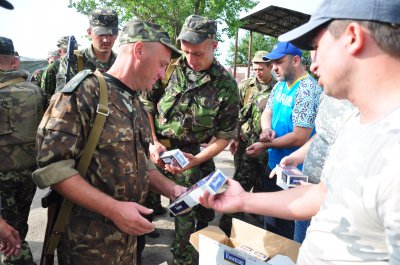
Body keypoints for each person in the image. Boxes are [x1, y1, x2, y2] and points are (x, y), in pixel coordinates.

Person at [201, 0, 400, 263]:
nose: (313, 63)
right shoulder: (356, 124)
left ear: (353, 37)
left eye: (317, 47)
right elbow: (322, 194)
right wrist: (243, 201)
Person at [32, 20, 184, 265]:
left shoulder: (134, 102)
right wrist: (114, 209)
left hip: (128, 241)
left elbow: (140, 164)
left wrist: (173, 190)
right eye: (162, 65)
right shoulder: (83, 94)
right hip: (88, 246)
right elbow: (52, 169)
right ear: (138, 50)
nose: (161, 74)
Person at [141, 14, 239, 265]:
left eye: (198, 53)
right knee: (147, 202)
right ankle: (180, 256)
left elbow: (224, 136)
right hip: (156, 147)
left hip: (192, 154)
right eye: (186, 52)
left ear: (214, 46)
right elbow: (147, 105)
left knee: (198, 207)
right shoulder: (169, 66)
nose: (191, 59)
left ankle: (190, 247)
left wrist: (195, 160)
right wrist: (152, 142)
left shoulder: (226, 85)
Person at [246, 42, 322, 239]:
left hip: (295, 174)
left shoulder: (306, 89)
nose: (274, 68)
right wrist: (266, 129)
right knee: (270, 225)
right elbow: (268, 112)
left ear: (296, 60)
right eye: (272, 63)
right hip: (275, 166)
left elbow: (300, 136)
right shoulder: (280, 85)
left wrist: (264, 145)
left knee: (287, 232)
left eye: (279, 62)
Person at [275, 92, 354, 243]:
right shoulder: (329, 93)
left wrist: (323, 194)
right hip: (305, 196)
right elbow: (322, 135)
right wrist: (296, 157)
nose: (313, 67)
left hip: (335, 213)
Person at [218, 50, 275, 236]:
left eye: (261, 69)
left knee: (263, 184)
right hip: (246, 143)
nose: (257, 72)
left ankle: (257, 215)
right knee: (241, 180)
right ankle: (229, 221)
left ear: (270, 67)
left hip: (268, 148)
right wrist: (234, 137)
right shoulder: (246, 86)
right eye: (255, 68)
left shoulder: (278, 87)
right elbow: (237, 113)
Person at [0, 36, 43, 265]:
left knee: (7, 235)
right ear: (14, 61)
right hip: (28, 173)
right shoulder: (34, 90)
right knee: (19, 224)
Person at [54, 8, 118, 92]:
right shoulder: (73, 60)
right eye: (101, 33)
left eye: (112, 32)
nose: (106, 39)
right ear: (89, 32)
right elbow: (62, 100)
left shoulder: (121, 63)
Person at [40, 36, 78, 109]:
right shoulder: (53, 67)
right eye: (68, 50)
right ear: (60, 52)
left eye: (75, 49)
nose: (72, 52)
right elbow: (46, 94)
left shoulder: (82, 63)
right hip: (60, 108)